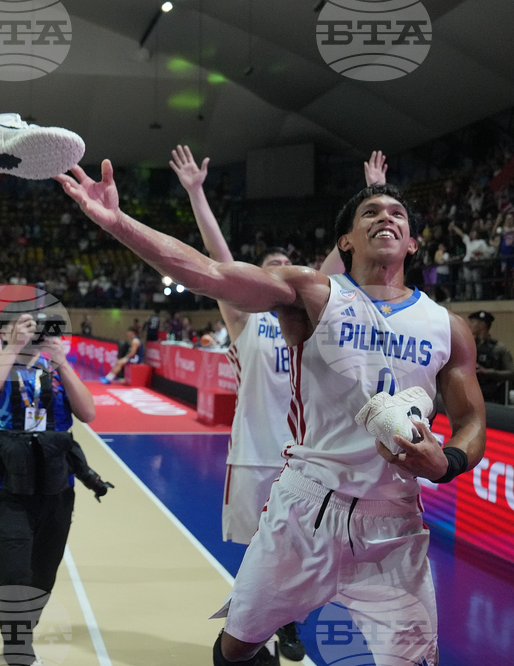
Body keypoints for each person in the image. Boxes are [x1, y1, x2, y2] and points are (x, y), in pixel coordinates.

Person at [58, 160, 485, 666]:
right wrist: (118, 222)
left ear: (413, 242)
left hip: (394, 521)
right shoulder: (313, 293)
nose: (384, 217)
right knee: (237, 647)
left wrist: (448, 463)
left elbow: (471, 421)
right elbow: (212, 273)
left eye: (396, 213)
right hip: (307, 507)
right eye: (369, 211)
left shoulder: (447, 326)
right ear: (345, 242)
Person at [168, 145, 389, 659]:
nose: (283, 272)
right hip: (252, 453)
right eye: (271, 267)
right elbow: (219, 259)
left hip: (305, 459)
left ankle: (285, 622)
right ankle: (256, 630)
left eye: (289, 267)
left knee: (306, 551)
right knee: (258, 558)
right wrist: (198, 194)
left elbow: (340, 259)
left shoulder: (310, 314)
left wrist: (373, 192)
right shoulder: (245, 318)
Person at [0, 304, 109, 666]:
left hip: (56, 484)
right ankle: (17, 648)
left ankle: (22, 630)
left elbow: (89, 413)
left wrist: (62, 361)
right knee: (14, 569)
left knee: (44, 571)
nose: (32, 333)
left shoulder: (56, 370)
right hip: (10, 487)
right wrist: (13, 349)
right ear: (3, 332)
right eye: (22, 327)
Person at [467, 310, 514, 404]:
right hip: (472, 394)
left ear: (482, 325)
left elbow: (511, 373)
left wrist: (486, 371)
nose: (470, 325)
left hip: (493, 397)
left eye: (473, 322)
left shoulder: (499, 348)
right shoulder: (468, 345)